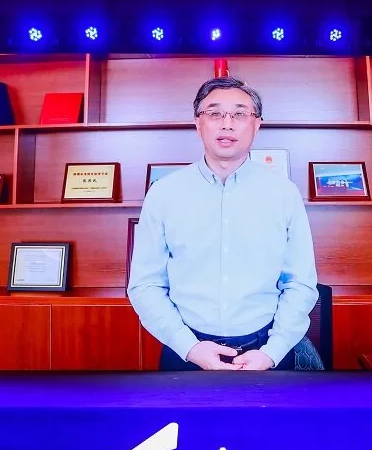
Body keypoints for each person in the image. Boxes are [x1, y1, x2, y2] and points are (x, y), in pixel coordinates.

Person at [127, 76, 319, 371]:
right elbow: (145, 284)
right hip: (186, 352)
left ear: (256, 124)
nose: (227, 124)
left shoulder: (283, 193)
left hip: (266, 351)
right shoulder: (164, 193)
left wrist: (272, 351)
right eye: (215, 113)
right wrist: (188, 347)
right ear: (198, 122)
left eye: (239, 114)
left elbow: (300, 282)